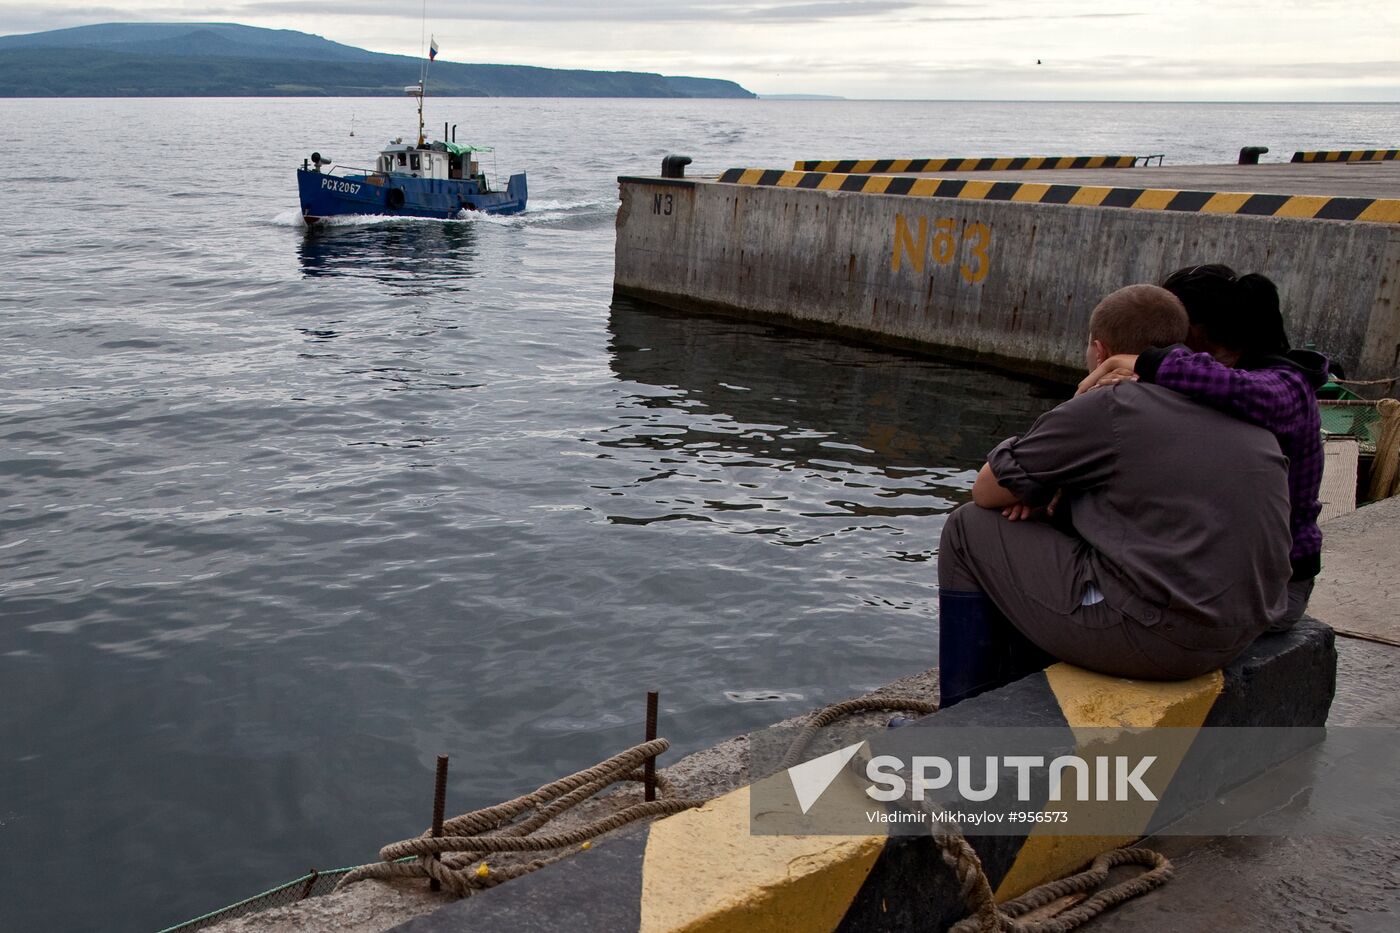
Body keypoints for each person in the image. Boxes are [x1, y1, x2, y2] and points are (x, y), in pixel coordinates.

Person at [937, 284, 1292, 707]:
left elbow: (986, 489)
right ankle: (1014, 692)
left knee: (967, 528)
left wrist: (1076, 405)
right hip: (1241, 631)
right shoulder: (1229, 400)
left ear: (1100, 351)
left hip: (1162, 641)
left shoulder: (1111, 405)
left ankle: (956, 721)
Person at [1077, 265, 1326, 627]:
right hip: (1217, 576)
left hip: (1273, 590)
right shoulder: (1201, 386)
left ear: (1194, 332)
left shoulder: (1285, 385)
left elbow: (1259, 396)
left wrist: (1148, 361)